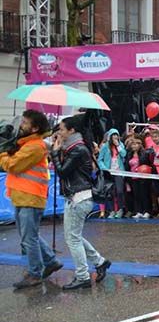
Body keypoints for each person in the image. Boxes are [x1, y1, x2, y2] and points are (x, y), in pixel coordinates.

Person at [0, 110, 63, 289]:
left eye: (25, 123)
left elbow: (12, 166)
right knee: (29, 236)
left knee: (29, 238)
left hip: (31, 197)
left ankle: (35, 273)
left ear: (35, 128)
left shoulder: (35, 146)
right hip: (23, 196)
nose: (21, 125)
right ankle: (50, 261)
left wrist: (3, 152)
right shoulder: (26, 144)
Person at [51, 114, 112, 290]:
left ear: (72, 130)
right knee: (74, 236)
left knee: (72, 239)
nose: (59, 132)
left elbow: (63, 172)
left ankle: (82, 275)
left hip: (79, 198)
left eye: (62, 129)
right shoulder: (74, 147)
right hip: (77, 197)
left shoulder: (78, 149)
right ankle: (100, 262)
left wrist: (55, 154)